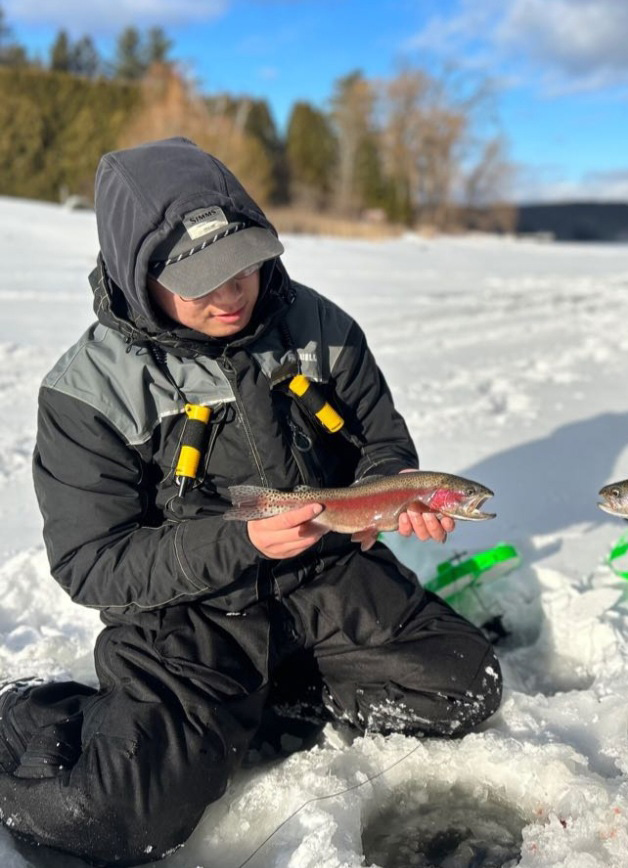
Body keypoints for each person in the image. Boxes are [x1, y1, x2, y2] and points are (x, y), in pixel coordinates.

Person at [0, 137, 502, 865]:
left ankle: (255, 702)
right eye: (199, 279)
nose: (231, 293)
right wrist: (242, 543)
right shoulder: (85, 392)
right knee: (111, 819)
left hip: (323, 574)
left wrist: (389, 504)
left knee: (464, 685)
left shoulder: (322, 327)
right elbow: (91, 565)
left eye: (242, 265)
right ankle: (32, 713)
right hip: (188, 611)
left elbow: (383, 449)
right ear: (138, 276)